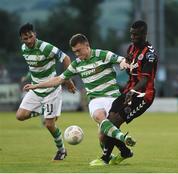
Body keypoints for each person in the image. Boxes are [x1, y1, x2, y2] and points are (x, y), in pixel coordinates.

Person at [23, 33, 136, 164]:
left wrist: (123, 63)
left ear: (87, 46)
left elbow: (122, 60)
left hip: (113, 98)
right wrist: (36, 85)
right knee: (99, 117)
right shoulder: (76, 64)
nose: (76, 54)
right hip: (95, 99)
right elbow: (59, 79)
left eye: (78, 50)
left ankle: (124, 152)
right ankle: (122, 139)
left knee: (102, 136)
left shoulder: (102, 54)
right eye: (74, 52)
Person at [90, 20, 158, 166]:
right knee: (109, 120)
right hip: (129, 91)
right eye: (131, 34)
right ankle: (125, 152)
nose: (133, 37)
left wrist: (132, 92)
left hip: (143, 96)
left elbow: (144, 81)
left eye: (136, 35)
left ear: (144, 34)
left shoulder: (150, 55)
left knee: (114, 122)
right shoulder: (131, 48)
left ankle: (105, 158)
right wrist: (124, 65)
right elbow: (128, 65)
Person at [16, 23, 76, 161]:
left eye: (31, 36)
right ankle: (47, 111)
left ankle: (61, 150)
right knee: (20, 116)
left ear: (35, 34)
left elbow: (66, 58)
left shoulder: (46, 47)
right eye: (26, 38)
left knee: (49, 125)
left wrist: (68, 80)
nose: (29, 40)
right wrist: (29, 79)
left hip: (51, 89)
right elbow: (34, 68)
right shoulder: (24, 49)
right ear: (21, 39)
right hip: (36, 89)